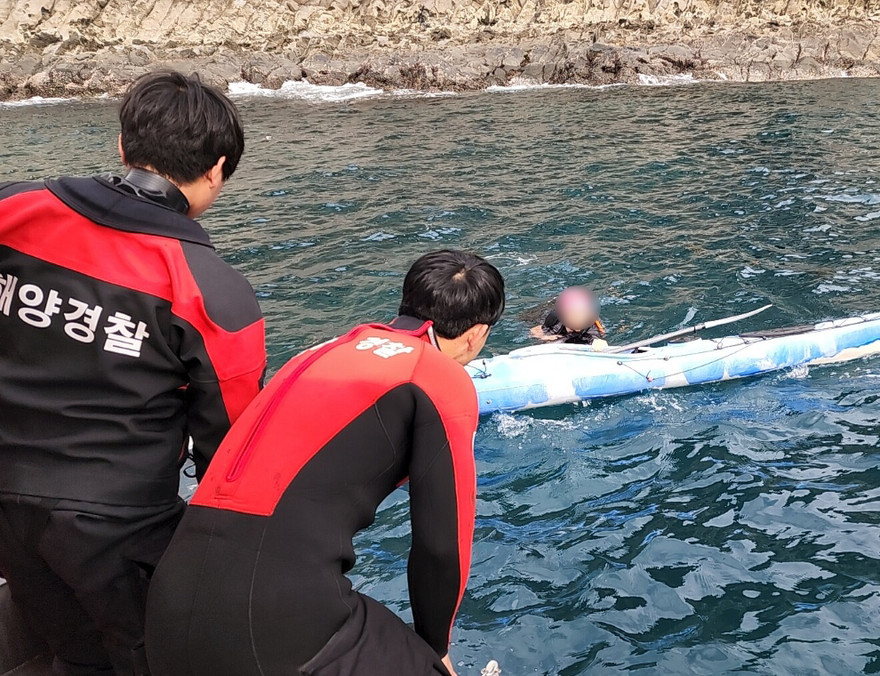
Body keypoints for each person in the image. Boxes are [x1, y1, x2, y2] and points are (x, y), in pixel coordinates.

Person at [0, 71, 265, 675]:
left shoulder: (14, 208)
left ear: (123, 145)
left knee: (68, 650)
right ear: (218, 168)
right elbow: (229, 440)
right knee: (148, 657)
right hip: (119, 522)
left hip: (8, 498)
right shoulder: (212, 291)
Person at [145, 250, 504, 676]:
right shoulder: (436, 376)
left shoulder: (317, 354)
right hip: (273, 619)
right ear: (476, 334)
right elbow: (442, 545)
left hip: (167, 604)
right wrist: (435, 650)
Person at [529, 286, 606, 345]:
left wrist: (599, 344)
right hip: (544, 312)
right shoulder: (555, 318)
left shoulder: (594, 324)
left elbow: (599, 338)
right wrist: (545, 337)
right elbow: (534, 331)